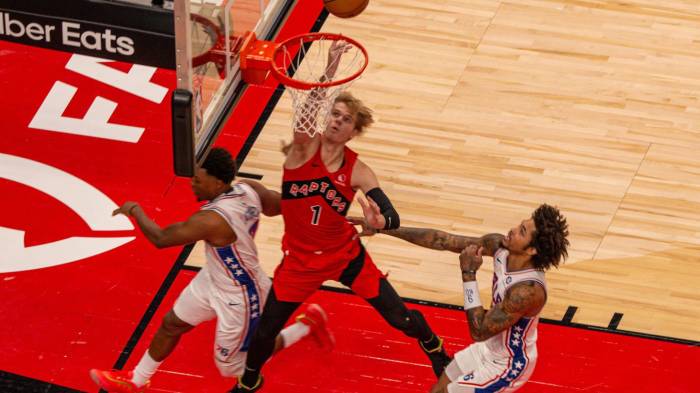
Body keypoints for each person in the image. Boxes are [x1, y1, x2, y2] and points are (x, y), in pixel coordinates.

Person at [229, 42, 451, 393]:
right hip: (300, 263)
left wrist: (380, 222)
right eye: (335, 114)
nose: (337, 121)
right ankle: (250, 380)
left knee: (401, 318)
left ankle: (434, 347)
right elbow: (308, 109)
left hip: (345, 256)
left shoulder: (359, 170)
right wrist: (329, 69)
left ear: (354, 131)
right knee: (265, 331)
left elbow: (390, 215)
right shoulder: (303, 148)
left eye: (346, 119)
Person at [89, 147, 333, 393]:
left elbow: (161, 239)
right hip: (214, 277)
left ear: (217, 183)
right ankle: (136, 380)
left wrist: (134, 210)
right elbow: (278, 205)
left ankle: (306, 326)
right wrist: (314, 198)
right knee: (172, 324)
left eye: (197, 180)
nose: (192, 184)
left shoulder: (211, 220)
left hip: (241, 294)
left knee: (234, 367)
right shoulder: (249, 189)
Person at [352, 203, 569, 392]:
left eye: (521, 231)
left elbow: (478, 331)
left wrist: (469, 274)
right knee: (439, 389)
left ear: (531, 250)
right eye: (519, 224)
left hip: (508, 364)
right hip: (489, 348)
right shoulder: (499, 245)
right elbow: (442, 240)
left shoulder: (528, 291)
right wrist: (384, 228)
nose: (512, 230)